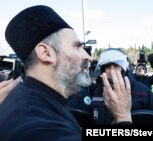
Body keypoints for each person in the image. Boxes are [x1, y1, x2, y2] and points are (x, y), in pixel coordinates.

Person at [0, 5, 130, 141]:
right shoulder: (44, 129)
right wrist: (123, 118)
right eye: (77, 46)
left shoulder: (24, 100)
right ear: (46, 53)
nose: (88, 56)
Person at [92, 48, 153, 125]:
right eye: (107, 66)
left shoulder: (143, 92)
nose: (112, 71)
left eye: (116, 66)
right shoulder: (98, 91)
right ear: (103, 69)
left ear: (123, 69)